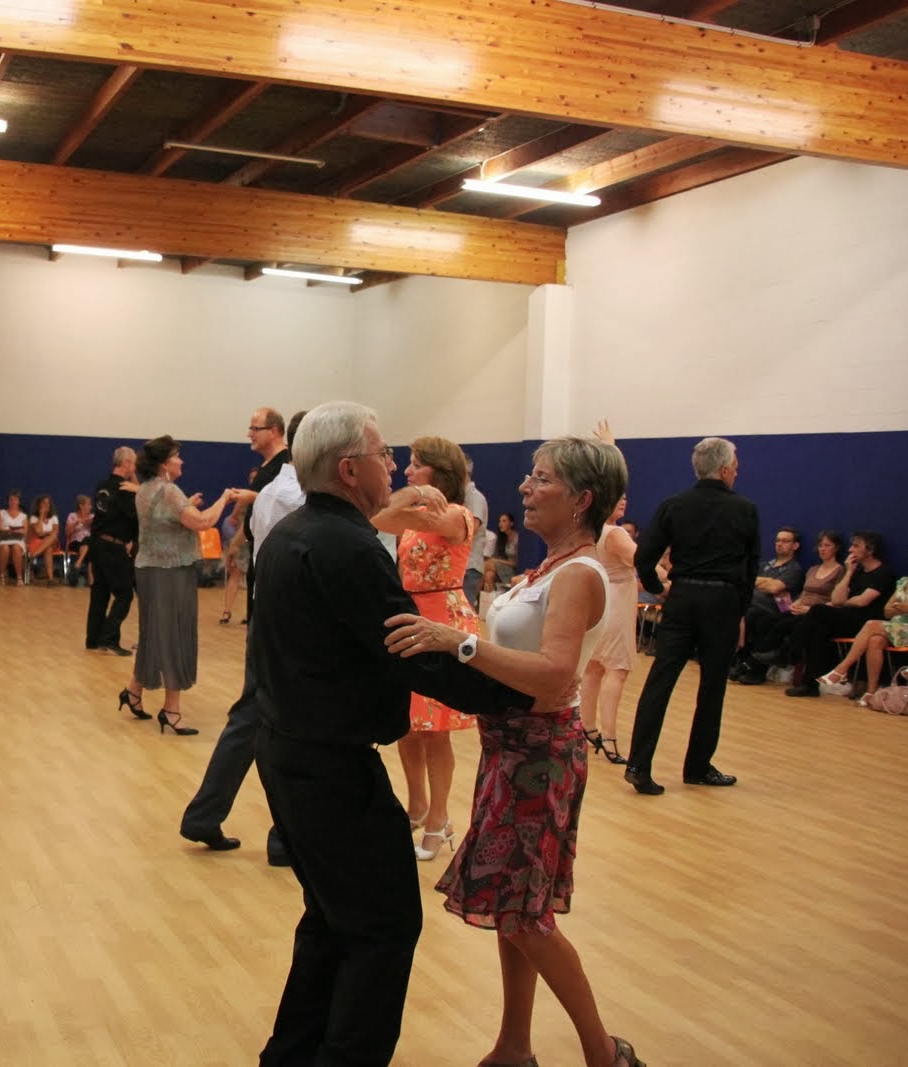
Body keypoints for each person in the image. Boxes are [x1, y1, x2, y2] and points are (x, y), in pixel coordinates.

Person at [248, 402, 536, 1065]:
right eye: (384, 455)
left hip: (291, 752)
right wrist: (517, 696)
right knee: (383, 925)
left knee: (333, 920)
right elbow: (413, 652)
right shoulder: (346, 546)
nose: (392, 465)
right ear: (350, 470)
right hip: (328, 768)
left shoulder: (294, 534)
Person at [385, 433, 644, 1067]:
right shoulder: (551, 567)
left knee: (525, 915)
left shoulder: (578, 574)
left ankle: (604, 1053)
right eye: (531, 475)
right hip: (511, 749)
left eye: (542, 478)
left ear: (582, 499)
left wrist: (458, 643)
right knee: (513, 907)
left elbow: (554, 676)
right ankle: (513, 1046)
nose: (526, 486)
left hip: (539, 756)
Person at [180, 410, 305, 860]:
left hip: (269, 616)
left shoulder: (274, 488)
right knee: (286, 727)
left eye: (255, 428)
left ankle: (208, 815)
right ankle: (283, 835)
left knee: (252, 717)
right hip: (286, 623)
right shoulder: (291, 492)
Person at [625, 436, 759, 795]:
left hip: (682, 597)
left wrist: (658, 588)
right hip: (723, 602)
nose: (737, 472)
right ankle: (698, 767)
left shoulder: (674, 505)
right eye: (735, 467)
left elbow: (643, 557)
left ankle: (639, 765)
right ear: (725, 469)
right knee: (712, 686)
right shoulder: (745, 509)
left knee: (660, 681)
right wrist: (740, 610)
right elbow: (750, 568)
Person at [371, 434, 479, 861]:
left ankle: (439, 817)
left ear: (440, 470)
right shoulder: (415, 514)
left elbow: (393, 516)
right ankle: (416, 805)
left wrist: (414, 498)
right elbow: (377, 516)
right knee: (408, 724)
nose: (408, 470)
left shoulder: (456, 515)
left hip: (444, 619)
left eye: (416, 464)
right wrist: (414, 494)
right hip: (412, 616)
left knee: (435, 729)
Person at [116, 436, 237, 735]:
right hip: (170, 572)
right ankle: (171, 710)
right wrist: (225, 498)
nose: (181, 461)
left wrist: (188, 505)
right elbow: (203, 522)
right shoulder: (169, 491)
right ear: (164, 464)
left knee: (154, 633)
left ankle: (133, 691)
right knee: (174, 635)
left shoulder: (145, 489)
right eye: (177, 456)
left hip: (149, 569)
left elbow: (166, 519)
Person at [816, 537, 908, 703]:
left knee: (871, 624)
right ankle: (871, 691)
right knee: (875, 640)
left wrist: (899, 606)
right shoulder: (904, 581)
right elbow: (887, 611)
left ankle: (842, 669)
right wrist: (904, 606)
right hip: (896, 626)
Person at [783, 530, 898, 698]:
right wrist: (849, 572)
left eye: (856, 546)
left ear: (870, 549)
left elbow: (862, 601)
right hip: (847, 617)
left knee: (818, 610)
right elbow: (837, 599)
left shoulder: (884, 573)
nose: (851, 550)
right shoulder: (857, 572)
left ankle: (793, 650)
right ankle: (809, 684)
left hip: (866, 623)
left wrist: (845, 602)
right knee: (818, 631)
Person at [579, 494, 638, 766]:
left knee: (594, 667)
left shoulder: (592, 529)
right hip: (617, 603)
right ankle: (610, 737)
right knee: (617, 669)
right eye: (618, 498)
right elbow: (639, 559)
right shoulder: (616, 533)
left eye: (625, 498)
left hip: (600, 599)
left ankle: (587, 727)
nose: (623, 502)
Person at [727, 527, 805, 683]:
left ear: (795, 546)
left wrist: (760, 582)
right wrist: (765, 582)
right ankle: (732, 660)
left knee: (756, 617)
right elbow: (745, 581)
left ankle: (753, 670)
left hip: (774, 610)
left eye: (785, 541)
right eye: (778, 540)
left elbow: (774, 588)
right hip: (749, 604)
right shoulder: (764, 565)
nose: (780, 544)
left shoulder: (794, 569)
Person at [234, 407, 290, 620]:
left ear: (273, 431)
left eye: (255, 429)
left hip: (275, 558)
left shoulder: (286, 464)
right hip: (258, 553)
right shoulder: (266, 466)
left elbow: (290, 504)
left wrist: (254, 497)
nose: (250, 434)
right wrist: (235, 545)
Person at [85, 447, 138, 656]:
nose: (135, 468)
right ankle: (109, 639)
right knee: (125, 594)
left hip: (97, 544)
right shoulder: (125, 489)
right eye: (133, 463)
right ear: (125, 463)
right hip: (114, 547)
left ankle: (93, 639)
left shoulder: (102, 485)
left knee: (100, 593)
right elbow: (134, 516)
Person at [462, 455, 490, 608]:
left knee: (463, 612)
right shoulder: (461, 496)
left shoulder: (475, 497)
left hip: (469, 566)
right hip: (462, 566)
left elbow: (470, 528)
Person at [0, 490, 28, 584]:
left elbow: (25, 532)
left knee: (16, 547)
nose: (13, 502)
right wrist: (4, 531)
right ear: (8, 501)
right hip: (3, 538)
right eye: (11, 500)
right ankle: (1, 575)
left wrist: (17, 531)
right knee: (5, 548)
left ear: (19, 501)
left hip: (17, 539)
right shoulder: (1, 513)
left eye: (15, 500)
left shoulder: (23, 516)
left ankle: (19, 577)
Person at [27, 494, 61, 585]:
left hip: (52, 541)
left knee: (52, 537)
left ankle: (33, 556)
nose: (46, 505)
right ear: (39, 505)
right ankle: (51, 580)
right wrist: (41, 516)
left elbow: (55, 532)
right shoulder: (34, 518)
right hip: (37, 542)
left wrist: (45, 533)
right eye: (44, 503)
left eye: (48, 503)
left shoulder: (54, 517)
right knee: (48, 549)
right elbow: (38, 532)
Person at [484, 512, 521, 593]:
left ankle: (471, 593)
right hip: (502, 569)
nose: (500, 524)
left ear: (511, 523)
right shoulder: (502, 539)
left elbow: (516, 563)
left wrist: (497, 561)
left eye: (504, 521)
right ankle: (489, 599)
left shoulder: (517, 538)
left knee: (486, 564)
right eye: (499, 521)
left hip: (513, 570)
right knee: (489, 575)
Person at [64, 493, 92, 585]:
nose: (90, 507)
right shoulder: (72, 516)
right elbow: (67, 533)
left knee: (88, 541)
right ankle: (91, 582)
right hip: (75, 542)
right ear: (81, 506)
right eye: (88, 504)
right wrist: (76, 524)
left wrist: (91, 524)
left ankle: (78, 563)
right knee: (89, 547)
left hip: (89, 542)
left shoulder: (92, 517)